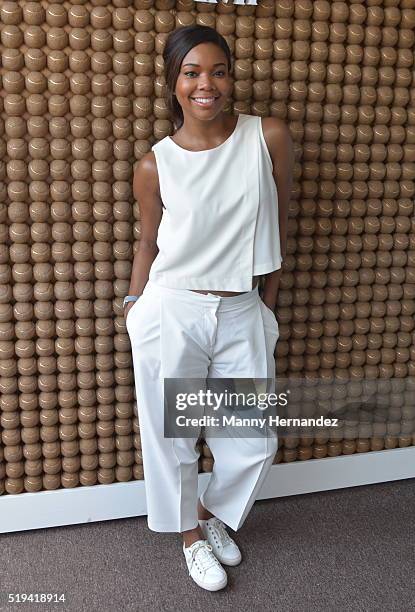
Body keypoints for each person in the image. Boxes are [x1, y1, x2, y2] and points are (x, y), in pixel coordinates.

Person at [124, 25, 294, 591]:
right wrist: (135, 309)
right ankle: (190, 540)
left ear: (231, 76)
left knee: (253, 441)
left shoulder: (266, 135)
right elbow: (148, 244)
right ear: (173, 83)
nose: (206, 84)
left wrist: (266, 306)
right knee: (172, 438)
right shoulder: (154, 164)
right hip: (172, 308)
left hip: (242, 307)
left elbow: (279, 220)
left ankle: (207, 515)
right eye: (191, 72)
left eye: (217, 71)